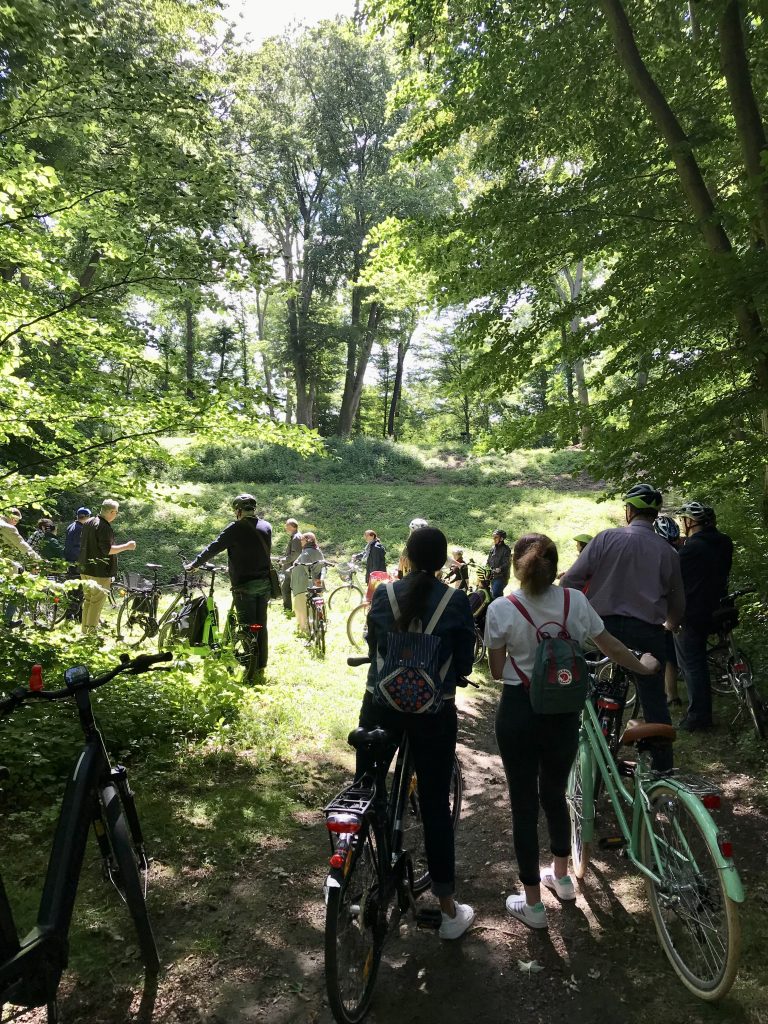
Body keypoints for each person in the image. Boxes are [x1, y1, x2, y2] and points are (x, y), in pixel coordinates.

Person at [486, 533, 661, 931]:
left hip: (518, 711)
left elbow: (498, 671)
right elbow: (612, 647)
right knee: (556, 792)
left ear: (516, 565)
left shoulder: (502, 607)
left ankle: (532, 904)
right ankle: (562, 878)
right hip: (564, 712)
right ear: (554, 564)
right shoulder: (575, 602)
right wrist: (645, 667)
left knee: (523, 803)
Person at [359, 527, 476, 939]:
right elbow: (464, 662)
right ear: (444, 562)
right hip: (432, 715)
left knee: (366, 789)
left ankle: (358, 870)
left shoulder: (384, 594)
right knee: (433, 806)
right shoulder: (455, 601)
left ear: (405, 556)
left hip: (381, 707)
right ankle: (447, 911)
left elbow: (374, 644)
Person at [560, 483, 685, 770]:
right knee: (654, 700)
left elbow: (569, 582)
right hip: (646, 633)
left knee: (582, 684)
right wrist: (670, 625)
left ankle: (576, 750)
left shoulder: (605, 539)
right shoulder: (668, 552)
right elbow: (677, 603)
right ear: (654, 516)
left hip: (599, 630)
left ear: (629, 511)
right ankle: (663, 769)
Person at [186, 494, 272, 669]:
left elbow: (214, 547)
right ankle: (261, 663)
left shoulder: (236, 528)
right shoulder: (267, 526)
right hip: (264, 583)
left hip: (244, 585)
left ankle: (249, 665)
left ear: (238, 511)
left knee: (247, 625)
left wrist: (195, 564)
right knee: (261, 624)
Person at [674, 502, 734, 732]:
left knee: (692, 664)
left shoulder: (690, 549)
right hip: (720, 608)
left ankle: (699, 717)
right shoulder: (725, 542)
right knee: (700, 660)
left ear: (690, 522)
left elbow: (676, 579)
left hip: (695, 612)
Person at [79, 499, 136, 633]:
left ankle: (84, 631)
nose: (116, 515)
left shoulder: (88, 522)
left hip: (84, 568)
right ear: (111, 512)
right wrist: (127, 546)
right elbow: (108, 550)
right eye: (116, 512)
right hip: (99, 571)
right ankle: (91, 635)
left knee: (88, 601)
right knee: (96, 603)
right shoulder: (104, 526)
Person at [653, 515, 684, 707]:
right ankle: (671, 696)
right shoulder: (678, 552)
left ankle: (669, 695)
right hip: (670, 609)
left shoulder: (653, 553)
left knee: (664, 656)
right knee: (669, 656)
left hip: (661, 610)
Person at [0, 507, 41, 626]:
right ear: (12, 517)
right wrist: (38, 560)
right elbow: (23, 546)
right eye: (16, 520)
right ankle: (7, 621)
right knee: (18, 588)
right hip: (4, 564)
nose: (16, 523)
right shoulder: (8, 528)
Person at [289, 531, 326, 634]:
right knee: (312, 608)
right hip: (314, 584)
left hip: (303, 586)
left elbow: (307, 568)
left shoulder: (306, 552)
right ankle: (316, 627)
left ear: (308, 540)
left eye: (302, 539)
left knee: (301, 608)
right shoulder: (317, 550)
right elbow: (322, 566)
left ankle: (305, 630)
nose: (300, 541)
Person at [63, 507, 91, 621]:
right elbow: (81, 548)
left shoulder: (71, 526)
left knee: (72, 590)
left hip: (69, 561)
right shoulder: (81, 529)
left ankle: (72, 615)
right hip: (77, 563)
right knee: (79, 591)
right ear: (86, 517)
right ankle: (75, 616)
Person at [281, 518, 303, 614]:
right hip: (291, 568)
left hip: (292, 569)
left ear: (292, 526)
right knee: (285, 588)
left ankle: (291, 610)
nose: (286, 527)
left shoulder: (296, 537)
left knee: (290, 589)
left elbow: (296, 553)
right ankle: (288, 610)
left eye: (287, 525)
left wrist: (284, 560)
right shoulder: (295, 536)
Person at [487, 529, 511, 599]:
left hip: (501, 577)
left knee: (496, 594)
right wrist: (486, 568)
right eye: (493, 537)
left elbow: (507, 562)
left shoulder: (506, 549)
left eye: (496, 537)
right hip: (492, 575)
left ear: (501, 538)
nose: (494, 539)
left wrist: (500, 568)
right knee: (491, 594)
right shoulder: (493, 548)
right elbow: (488, 560)